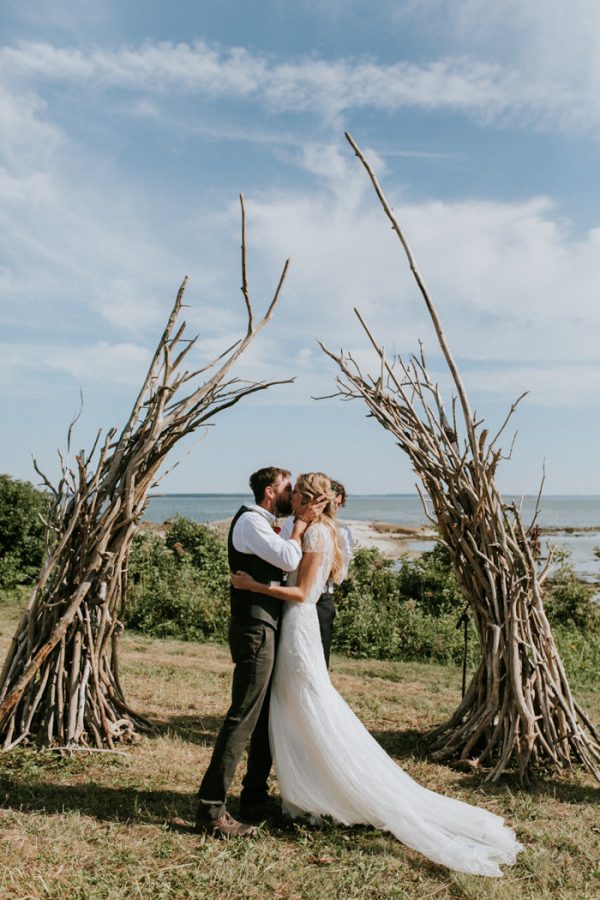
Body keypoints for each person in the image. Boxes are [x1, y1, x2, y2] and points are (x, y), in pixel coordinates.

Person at [231, 473, 523, 877]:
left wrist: (253, 586)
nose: (290, 497)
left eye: (296, 493)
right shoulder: (313, 530)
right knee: (296, 709)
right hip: (294, 627)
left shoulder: (317, 535)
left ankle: (332, 789)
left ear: (310, 500)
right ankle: (300, 791)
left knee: (314, 708)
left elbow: (302, 594)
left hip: (298, 624)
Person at [195, 466, 323, 838]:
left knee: (265, 715)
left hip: (266, 626)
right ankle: (211, 810)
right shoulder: (251, 522)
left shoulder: (265, 522)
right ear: (270, 492)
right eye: (288, 488)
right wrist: (299, 527)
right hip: (254, 629)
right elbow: (287, 560)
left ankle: (253, 796)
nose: (293, 495)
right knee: (243, 717)